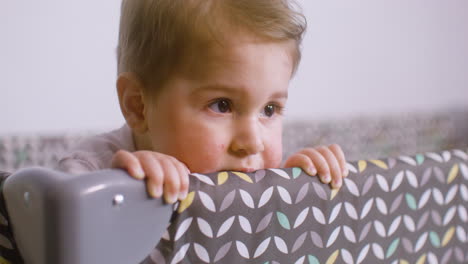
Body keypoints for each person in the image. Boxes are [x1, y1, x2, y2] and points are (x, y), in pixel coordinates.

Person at [57, 0, 349, 204]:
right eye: (222, 105)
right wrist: (118, 192)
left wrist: (297, 186)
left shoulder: (256, 175)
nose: (253, 142)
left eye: (269, 110)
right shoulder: (87, 174)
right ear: (138, 106)